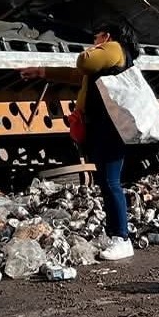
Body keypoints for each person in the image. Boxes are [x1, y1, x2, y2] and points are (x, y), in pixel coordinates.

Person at [18, 21, 139, 261]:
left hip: (111, 127)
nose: (93, 42)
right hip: (104, 126)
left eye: (96, 37)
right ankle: (114, 234)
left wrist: (97, 48)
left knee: (111, 182)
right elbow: (79, 75)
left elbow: (84, 62)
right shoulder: (109, 58)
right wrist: (42, 72)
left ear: (107, 36)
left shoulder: (114, 48)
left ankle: (122, 238)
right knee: (106, 181)